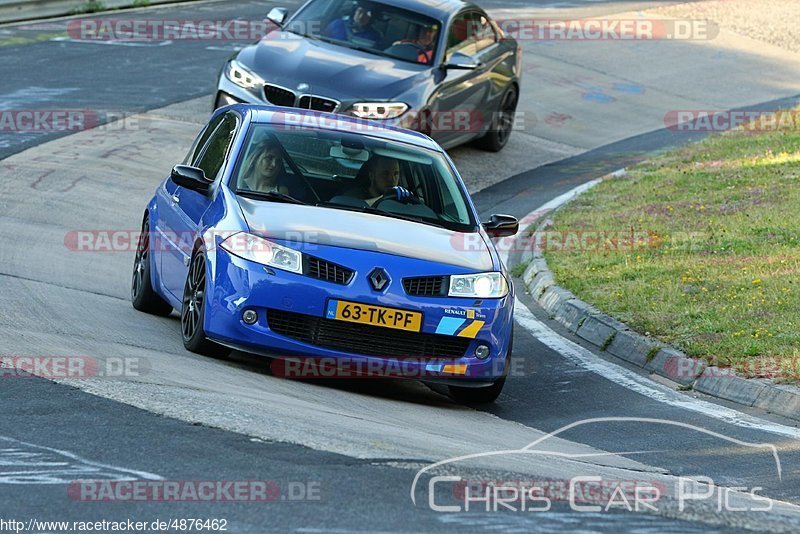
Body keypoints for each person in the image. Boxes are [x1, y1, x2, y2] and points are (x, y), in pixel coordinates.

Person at [349, 155, 414, 205]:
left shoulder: (402, 199)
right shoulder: (354, 195)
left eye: (396, 174)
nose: (392, 180)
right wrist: (383, 198)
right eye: (385, 174)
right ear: (372, 176)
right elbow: (351, 208)